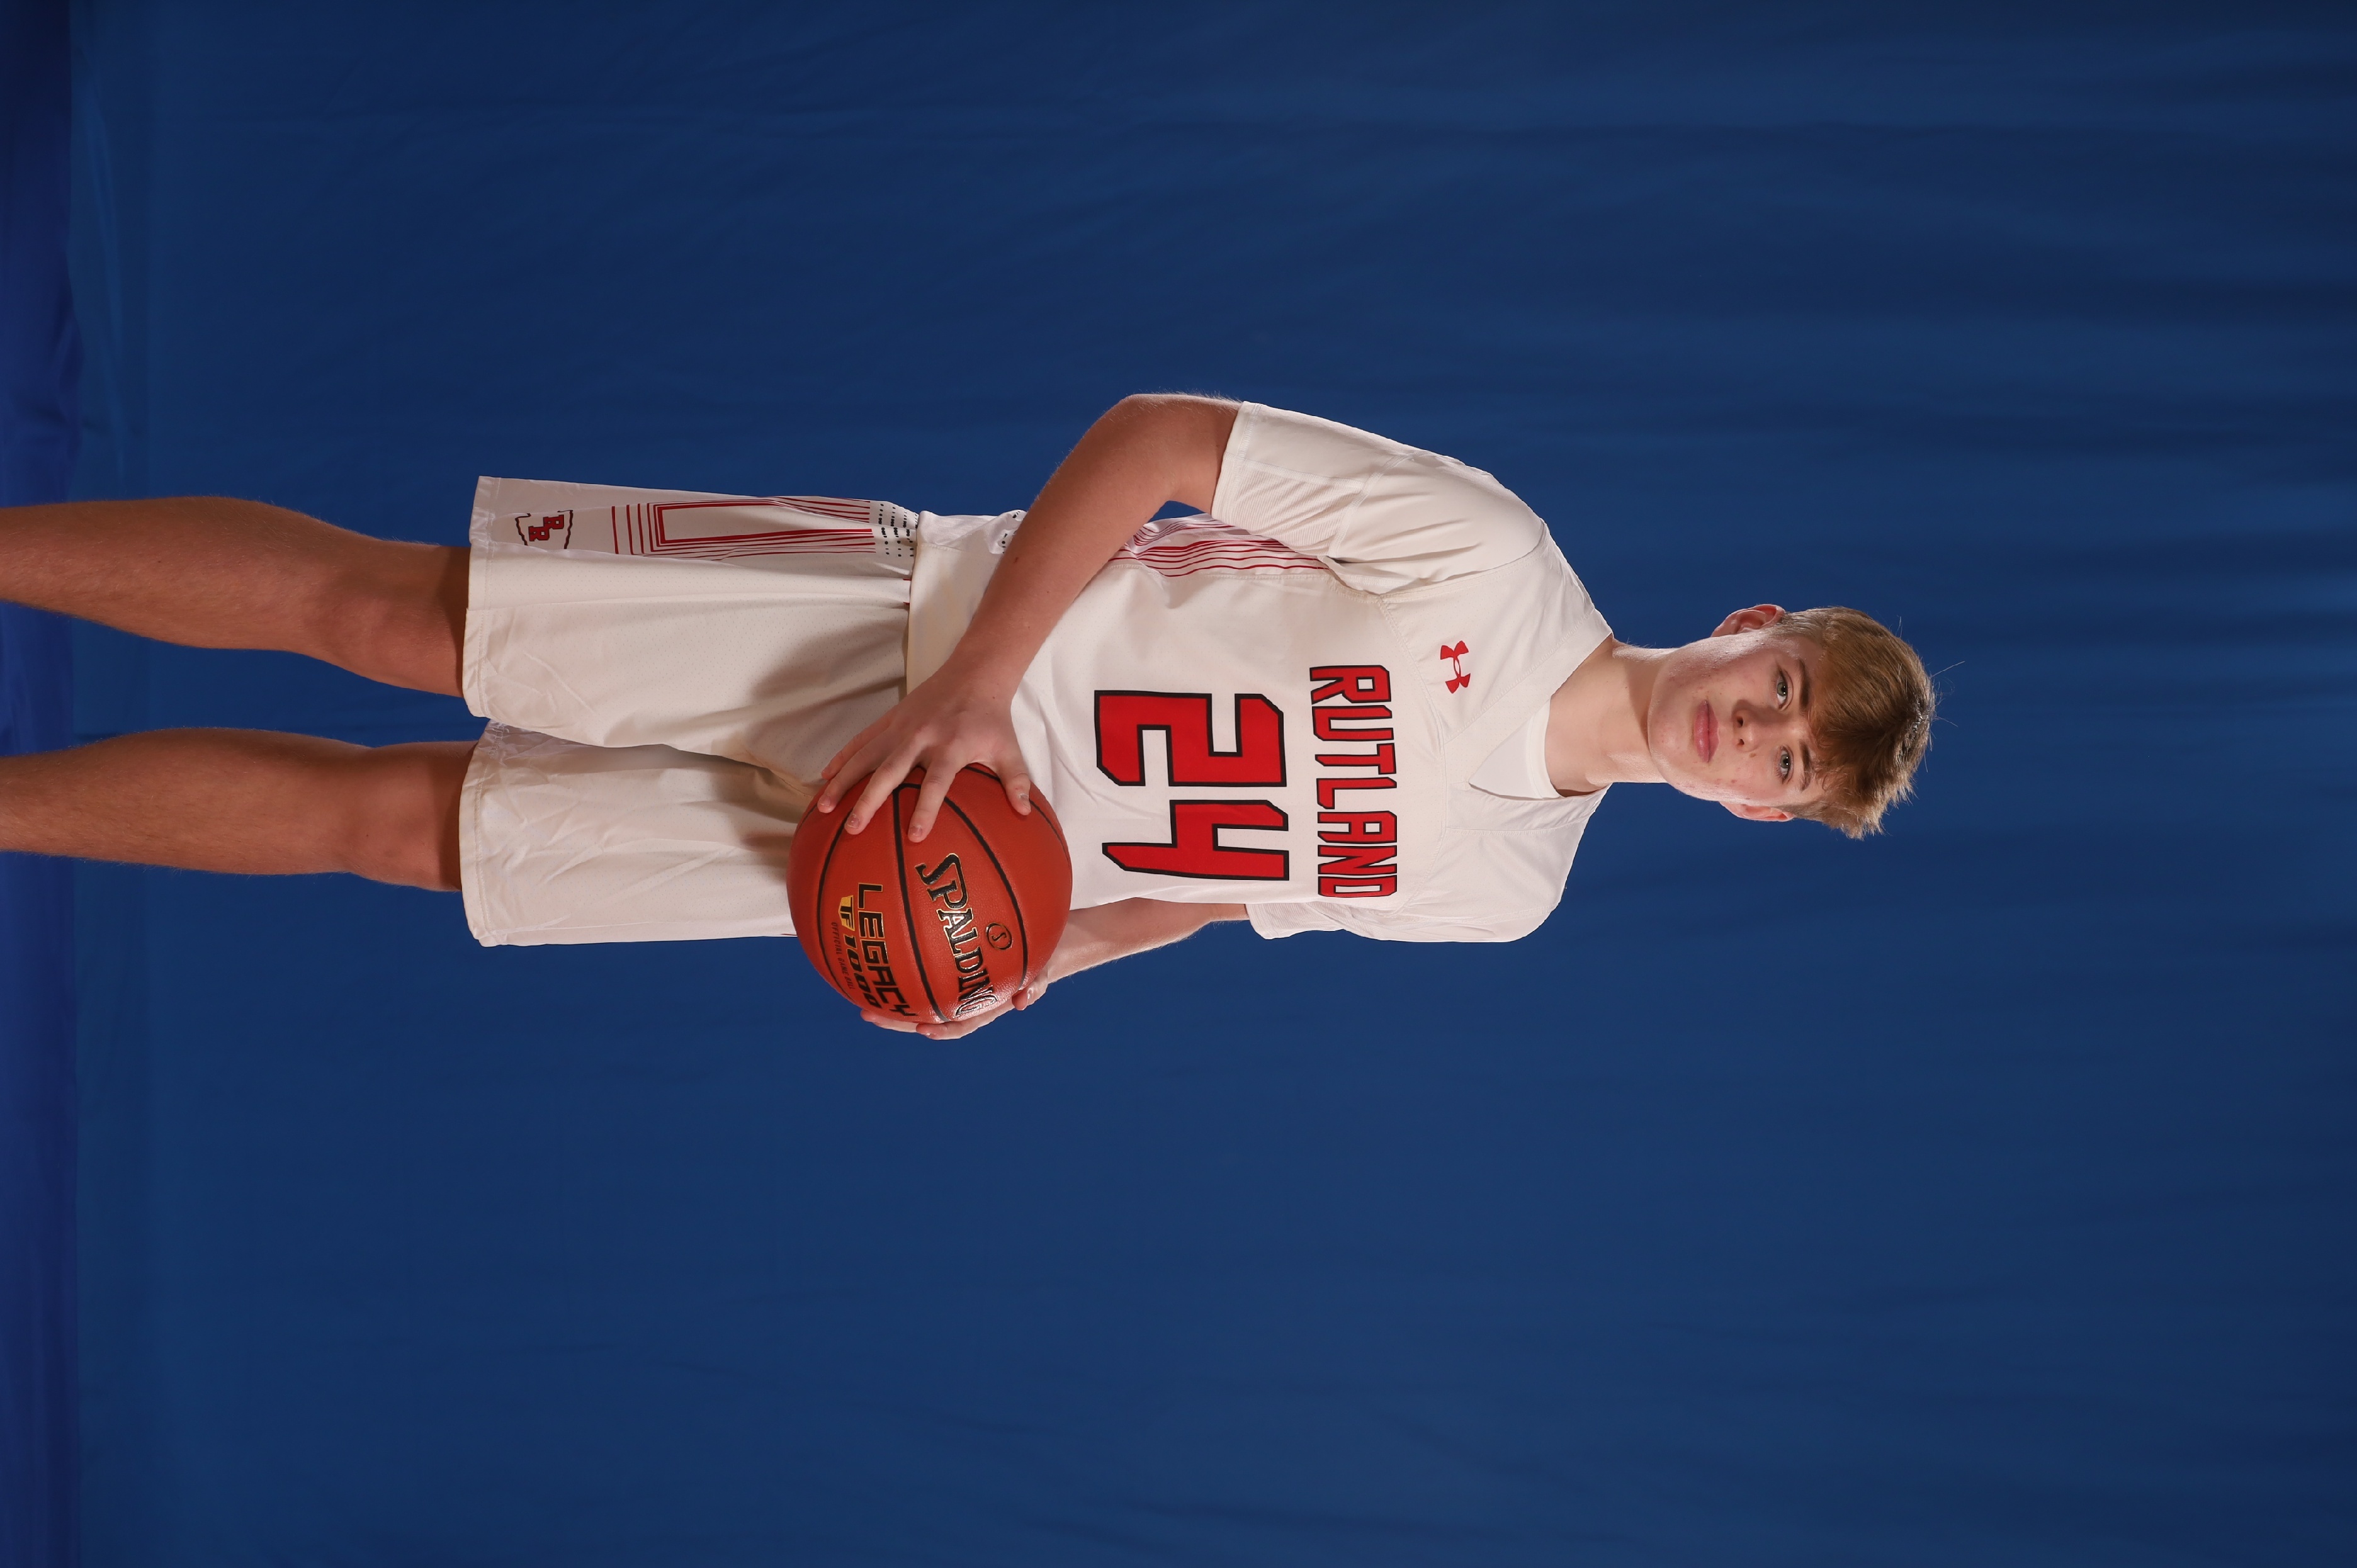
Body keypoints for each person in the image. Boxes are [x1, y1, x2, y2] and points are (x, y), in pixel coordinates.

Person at [0, 396, 1931, 1037]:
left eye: (1784, 761)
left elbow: (1230, 891)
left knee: (406, 834)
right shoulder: (1496, 557)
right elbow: (1158, 442)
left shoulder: (1508, 889)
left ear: (1763, 813)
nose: (1751, 733)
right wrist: (980, 685)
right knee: (392, 615)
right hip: (902, 629)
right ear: (1749, 627)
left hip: (929, 857)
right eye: (1779, 690)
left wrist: (1038, 963)